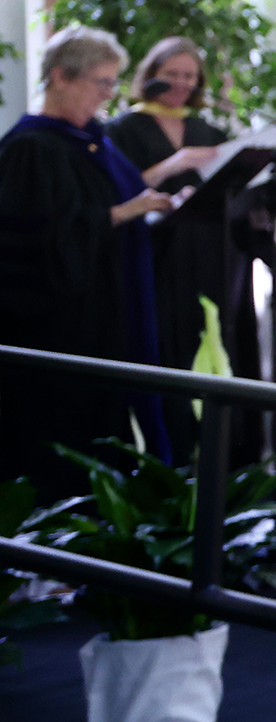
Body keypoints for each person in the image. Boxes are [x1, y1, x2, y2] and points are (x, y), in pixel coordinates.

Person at [0, 28, 170, 498]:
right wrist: (121, 213)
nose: (107, 95)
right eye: (100, 82)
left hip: (106, 320)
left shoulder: (94, 144)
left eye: (112, 83)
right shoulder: (29, 149)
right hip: (61, 334)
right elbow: (33, 246)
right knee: (64, 449)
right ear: (60, 77)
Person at [106, 37, 271, 463]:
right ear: (152, 75)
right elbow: (115, 189)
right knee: (168, 346)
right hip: (158, 254)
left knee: (217, 344)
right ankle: (174, 454)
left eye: (189, 76)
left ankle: (227, 454)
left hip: (212, 254)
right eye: (172, 74)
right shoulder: (123, 128)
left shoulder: (207, 130)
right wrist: (173, 165)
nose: (181, 84)